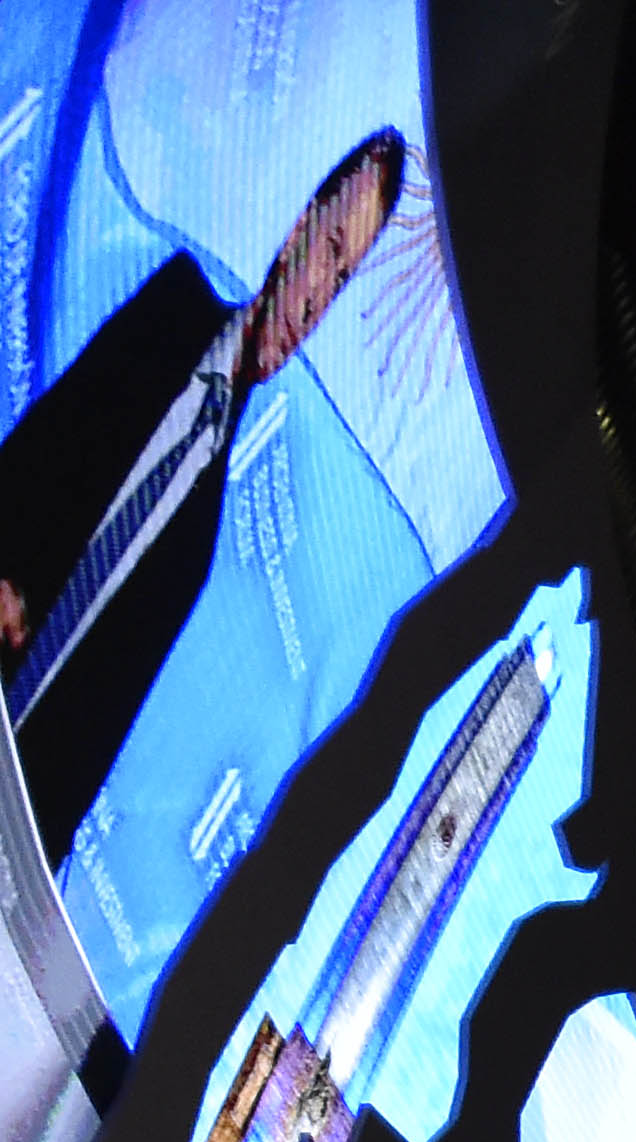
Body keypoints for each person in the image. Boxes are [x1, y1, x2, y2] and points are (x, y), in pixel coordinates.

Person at [0, 133, 409, 853]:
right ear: (298, 228)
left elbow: (90, 740)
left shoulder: (202, 534)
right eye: (331, 251)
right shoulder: (169, 308)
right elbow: (34, 452)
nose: (319, 294)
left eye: (344, 281)